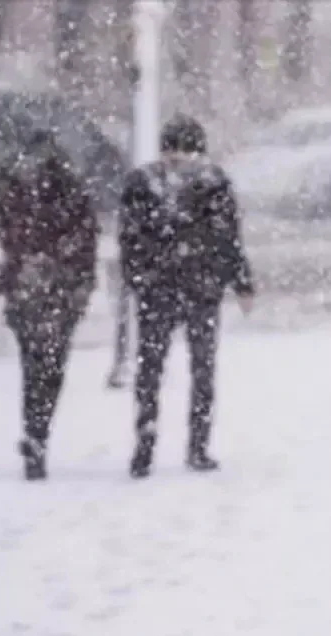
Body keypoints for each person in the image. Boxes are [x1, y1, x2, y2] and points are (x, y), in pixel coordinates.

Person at [0, 129, 98, 480]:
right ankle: (37, 433)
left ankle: (36, 433)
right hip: (45, 289)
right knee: (47, 367)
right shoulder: (51, 190)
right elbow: (85, 241)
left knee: (38, 366)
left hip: (37, 288)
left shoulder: (16, 190)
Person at [120, 114, 254, 477]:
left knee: (151, 368)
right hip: (200, 288)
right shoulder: (213, 182)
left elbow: (130, 238)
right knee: (201, 369)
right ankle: (197, 445)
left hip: (159, 288)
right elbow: (228, 238)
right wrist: (240, 281)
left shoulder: (142, 182)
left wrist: (138, 277)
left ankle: (145, 443)